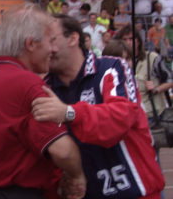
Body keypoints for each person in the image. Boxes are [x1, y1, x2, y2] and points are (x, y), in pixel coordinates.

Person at [31, 14, 165, 198]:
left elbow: (121, 118)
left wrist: (70, 113)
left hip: (135, 192)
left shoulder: (111, 68)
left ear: (73, 38)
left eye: (52, 40)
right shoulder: (45, 88)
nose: (47, 48)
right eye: (42, 42)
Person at [0, 3, 86, 199]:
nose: (54, 49)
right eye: (50, 41)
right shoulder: (28, 84)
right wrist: (77, 176)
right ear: (31, 44)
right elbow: (63, 151)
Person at [116, 24, 173, 125]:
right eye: (125, 39)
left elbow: (170, 80)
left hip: (150, 115)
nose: (128, 42)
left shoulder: (152, 58)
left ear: (138, 41)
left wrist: (156, 88)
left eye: (131, 39)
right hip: (126, 116)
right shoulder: (116, 62)